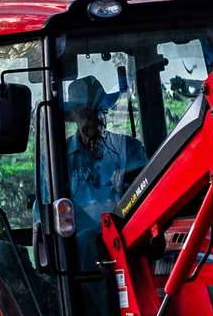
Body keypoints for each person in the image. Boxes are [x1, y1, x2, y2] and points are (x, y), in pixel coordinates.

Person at [64, 75, 149, 258]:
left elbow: (148, 193)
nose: (91, 119)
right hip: (81, 257)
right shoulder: (60, 158)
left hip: (130, 242)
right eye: (84, 112)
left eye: (97, 111)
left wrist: (126, 187)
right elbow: (50, 213)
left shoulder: (128, 148)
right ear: (73, 115)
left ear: (104, 111)